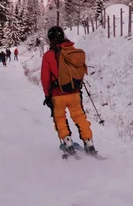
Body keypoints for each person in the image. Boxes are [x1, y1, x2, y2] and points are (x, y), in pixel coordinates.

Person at [40, 26, 95, 154]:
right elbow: (82, 70)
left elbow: (45, 78)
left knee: (59, 118)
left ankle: (67, 141)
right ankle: (88, 141)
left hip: (57, 94)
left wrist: (47, 95)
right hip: (74, 92)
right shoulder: (73, 51)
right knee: (80, 117)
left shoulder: (48, 55)